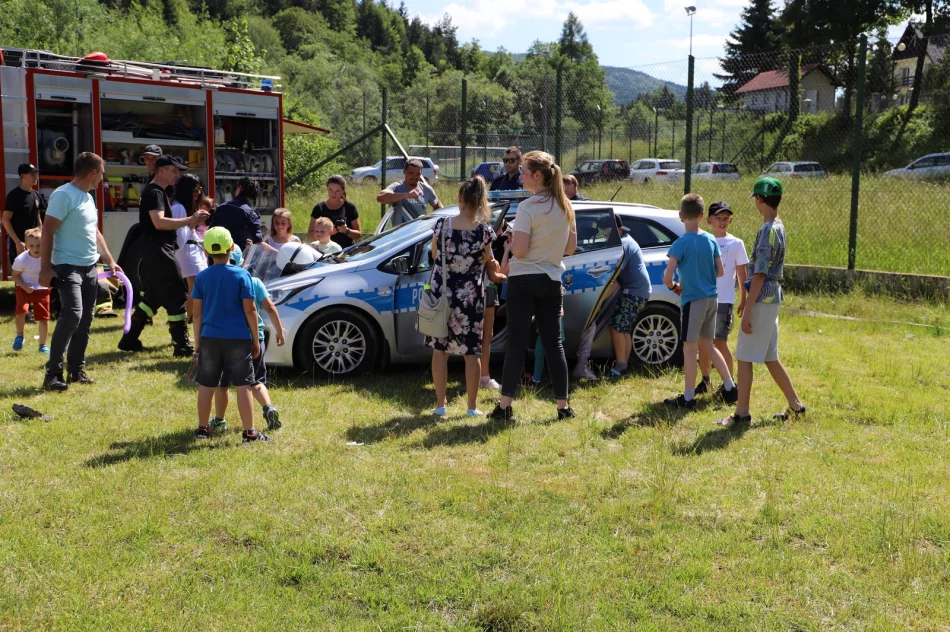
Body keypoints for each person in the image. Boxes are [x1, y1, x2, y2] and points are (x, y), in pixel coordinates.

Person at [490, 151, 577, 422]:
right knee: (554, 345)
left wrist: (511, 239)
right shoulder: (566, 206)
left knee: (516, 344)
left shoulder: (528, 207)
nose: (522, 176)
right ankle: (563, 407)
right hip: (551, 280)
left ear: (538, 176)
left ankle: (505, 408)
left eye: (525, 172)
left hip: (523, 280)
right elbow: (571, 249)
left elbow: (521, 250)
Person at [717, 178, 805, 427]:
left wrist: (747, 310)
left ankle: (741, 414)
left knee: (744, 357)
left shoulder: (767, 230)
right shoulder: (779, 225)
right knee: (769, 356)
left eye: (755, 198)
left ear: (760, 200)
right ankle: (796, 406)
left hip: (762, 298)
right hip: (772, 297)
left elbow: (760, 273)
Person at [39, 152, 122, 392]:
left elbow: (94, 232)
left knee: (86, 319)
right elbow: (47, 231)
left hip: (90, 267)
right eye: (101, 174)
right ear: (93, 172)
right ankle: (53, 373)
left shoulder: (87, 198)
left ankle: (76, 371)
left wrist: (110, 261)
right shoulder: (63, 195)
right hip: (67, 266)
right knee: (73, 314)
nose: (102, 179)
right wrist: (45, 267)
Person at [117, 156, 208, 355]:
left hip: (154, 251)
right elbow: (158, 222)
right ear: (161, 171)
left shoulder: (156, 192)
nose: (177, 175)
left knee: (152, 298)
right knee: (177, 296)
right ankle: (182, 346)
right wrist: (189, 220)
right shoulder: (155, 192)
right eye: (174, 171)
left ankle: (129, 340)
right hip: (159, 251)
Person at [426, 177, 499, 417]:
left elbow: (435, 255)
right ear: (480, 202)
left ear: (459, 198)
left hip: (442, 294)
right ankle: (471, 407)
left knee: (440, 350)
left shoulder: (441, 225)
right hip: (470, 297)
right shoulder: (485, 232)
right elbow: (486, 260)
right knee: (471, 352)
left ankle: (440, 405)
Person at [662, 194, 737, 409]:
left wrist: (675, 287)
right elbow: (720, 271)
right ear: (703, 216)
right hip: (712, 299)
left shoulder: (680, 244)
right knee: (708, 345)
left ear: (681, 216)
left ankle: (688, 397)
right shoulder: (711, 240)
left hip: (693, 301)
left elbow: (668, 278)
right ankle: (730, 386)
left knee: (689, 348)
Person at [192, 228, 268, 442]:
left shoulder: (202, 277)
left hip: (209, 338)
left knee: (206, 385)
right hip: (238, 338)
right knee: (243, 385)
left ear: (206, 251)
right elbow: (250, 310)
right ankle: (250, 433)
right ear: (232, 248)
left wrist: (197, 341)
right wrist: (255, 339)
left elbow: (196, 313)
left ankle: (202, 429)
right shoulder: (242, 275)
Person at [209, 245, 285, 433]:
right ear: (241, 261)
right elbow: (269, 307)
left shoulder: (219, 281)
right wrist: (279, 330)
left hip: (226, 338)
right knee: (256, 380)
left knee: (222, 384)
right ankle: (268, 407)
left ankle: (219, 420)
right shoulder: (254, 281)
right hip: (255, 337)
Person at [574, 216, 651, 380]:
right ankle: (623, 365)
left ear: (618, 230)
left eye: (605, 231)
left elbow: (613, 280)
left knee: (617, 327)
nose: (603, 234)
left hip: (633, 291)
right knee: (623, 328)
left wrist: (597, 301)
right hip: (637, 291)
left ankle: (620, 368)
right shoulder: (626, 241)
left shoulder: (623, 245)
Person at [697, 201, 748, 392]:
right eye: (718, 218)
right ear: (709, 220)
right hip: (703, 298)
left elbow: (742, 274)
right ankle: (705, 379)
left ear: (731, 220)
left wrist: (743, 298)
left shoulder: (736, 243)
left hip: (724, 300)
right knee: (703, 341)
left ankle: (730, 383)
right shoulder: (703, 241)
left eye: (725, 218)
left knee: (719, 341)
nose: (722, 221)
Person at [169, 174, 207, 323]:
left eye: (199, 188)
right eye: (194, 189)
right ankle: (185, 324)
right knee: (195, 291)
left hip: (193, 251)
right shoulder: (178, 207)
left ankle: (186, 323)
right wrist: (193, 222)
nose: (197, 192)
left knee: (196, 290)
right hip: (188, 253)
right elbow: (179, 238)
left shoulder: (185, 206)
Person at [12, 227, 50, 354]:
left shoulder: (48, 257)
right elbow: (15, 275)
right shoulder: (21, 259)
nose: (36, 249)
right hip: (24, 288)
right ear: (26, 245)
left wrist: (50, 284)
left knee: (43, 318)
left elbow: (52, 271)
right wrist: (25, 287)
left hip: (42, 290)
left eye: (39, 245)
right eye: (32, 245)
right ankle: (19, 335)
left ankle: (43, 345)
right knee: (21, 312)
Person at [3, 163, 46, 273]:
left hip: (35, 244)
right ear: (23, 176)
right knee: (20, 273)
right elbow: (5, 219)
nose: (36, 177)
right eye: (32, 174)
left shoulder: (37, 195)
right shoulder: (14, 195)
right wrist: (17, 242)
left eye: (36, 174)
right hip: (20, 243)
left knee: (36, 273)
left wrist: (42, 236)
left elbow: (38, 217)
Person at [376, 159, 443, 226]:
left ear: (421, 173)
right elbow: (380, 197)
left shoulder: (426, 189)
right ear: (404, 172)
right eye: (411, 173)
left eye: (418, 174)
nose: (414, 177)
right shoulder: (396, 187)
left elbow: (438, 207)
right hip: (400, 234)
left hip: (419, 234)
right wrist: (406, 195)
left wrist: (431, 222)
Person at [208, 176, 265, 249]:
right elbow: (258, 242)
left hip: (217, 254)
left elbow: (210, 232)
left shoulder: (221, 207)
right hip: (238, 256)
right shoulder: (252, 215)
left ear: (240, 188)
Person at [309, 175, 361, 248]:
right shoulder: (319, 208)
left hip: (345, 251)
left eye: (337, 191)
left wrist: (347, 231)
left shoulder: (350, 207)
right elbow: (310, 235)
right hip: (323, 251)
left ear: (343, 191)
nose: (333, 194)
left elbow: (358, 235)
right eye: (330, 190)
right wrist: (328, 233)